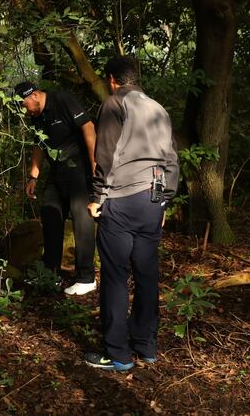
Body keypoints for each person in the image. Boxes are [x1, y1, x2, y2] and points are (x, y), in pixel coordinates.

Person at [84, 57, 179, 371]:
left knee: (115, 277)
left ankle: (118, 354)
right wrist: (165, 200)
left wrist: (97, 197)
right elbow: (172, 159)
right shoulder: (158, 109)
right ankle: (146, 345)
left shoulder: (114, 104)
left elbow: (106, 155)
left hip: (123, 200)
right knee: (147, 274)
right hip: (153, 202)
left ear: (112, 80)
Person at [14, 81, 97, 295]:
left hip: (79, 167)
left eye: (24, 106)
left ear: (33, 96)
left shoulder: (63, 100)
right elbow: (39, 145)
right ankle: (50, 273)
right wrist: (33, 176)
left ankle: (86, 277)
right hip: (57, 170)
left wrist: (95, 164)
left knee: (81, 218)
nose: (25, 111)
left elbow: (88, 127)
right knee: (50, 213)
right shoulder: (37, 118)